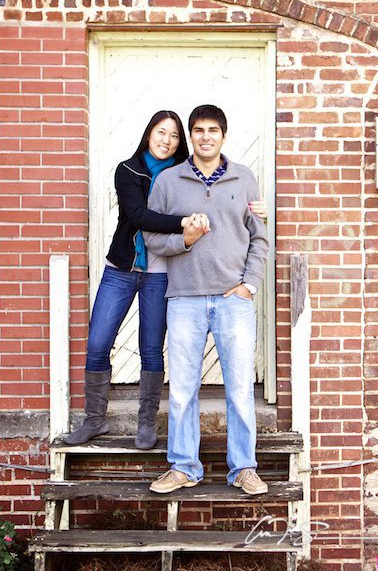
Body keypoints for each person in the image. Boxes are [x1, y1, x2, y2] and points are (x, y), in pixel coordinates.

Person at [66, 111, 268, 450]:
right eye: (162, 133)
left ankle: (146, 425)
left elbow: (251, 229)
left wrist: (255, 212)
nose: (167, 140)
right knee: (98, 341)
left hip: (161, 271)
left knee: (151, 348)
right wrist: (187, 224)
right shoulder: (134, 172)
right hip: (123, 267)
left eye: (173, 136)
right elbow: (139, 217)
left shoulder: (203, 175)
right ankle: (94, 419)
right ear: (149, 134)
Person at [144, 104, 270, 495]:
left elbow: (260, 238)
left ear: (223, 136)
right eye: (198, 130)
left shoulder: (243, 178)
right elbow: (151, 237)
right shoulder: (168, 181)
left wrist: (249, 285)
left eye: (213, 130)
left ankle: (244, 468)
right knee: (182, 389)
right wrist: (186, 239)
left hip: (234, 300)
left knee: (239, 389)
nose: (205, 137)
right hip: (184, 298)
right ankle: (184, 467)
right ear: (191, 136)